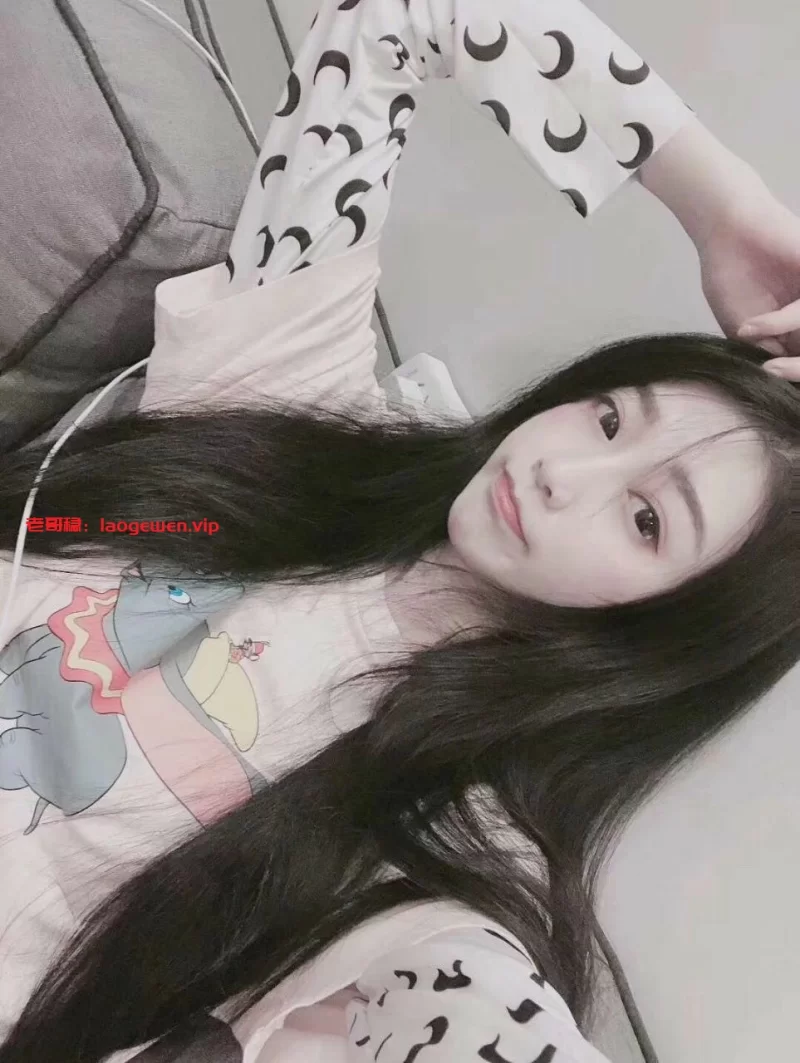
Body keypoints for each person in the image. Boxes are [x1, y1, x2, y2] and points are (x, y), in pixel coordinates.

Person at [1, 1, 800, 1060]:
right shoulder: (295, 392)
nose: (561, 471)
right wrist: (721, 205)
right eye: (610, 416)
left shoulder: (453, 851)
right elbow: (396, 19)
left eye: (646, 518)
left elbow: (483, 1017)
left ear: (677, 626)